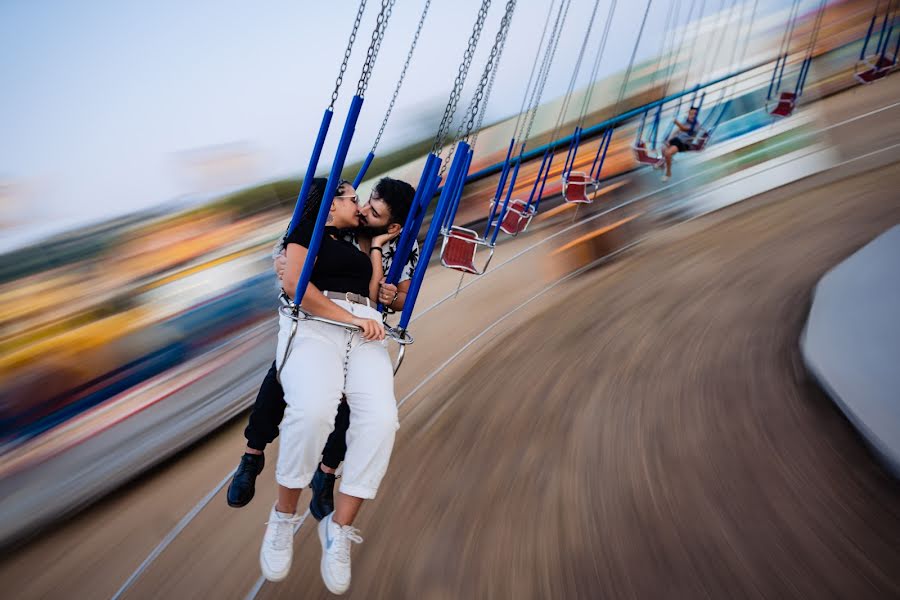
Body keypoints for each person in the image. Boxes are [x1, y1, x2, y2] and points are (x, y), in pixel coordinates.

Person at [258, 177, 415, 593]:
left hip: (364, 326)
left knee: (382, 421)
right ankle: (283, 516)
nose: (360, 206)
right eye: (353, 199)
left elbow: (382, 295)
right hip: (316, 324)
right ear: (331, 205)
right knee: (313, 412)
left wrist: (378, 245)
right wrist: (351, 319)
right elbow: (293, 283)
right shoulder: (305, 231)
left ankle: (339, 528)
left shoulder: (362, 240)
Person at [227, 178, 417, 518]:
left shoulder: (402, 246)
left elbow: (404, 295)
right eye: (364, 200)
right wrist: (280, 263)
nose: (362, 209)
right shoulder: (344, 222)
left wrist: (392, 296)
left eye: (372, 210)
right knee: (283, 376)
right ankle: (253, 454)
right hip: (323, 315)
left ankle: (326, 473)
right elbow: (294, 247)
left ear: (393, 225)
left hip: (364, 322)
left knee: (354, 404)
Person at [659, 106, 702, 181]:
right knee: (663, 148)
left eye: (693, 114)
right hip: (677, 140)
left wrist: (676, 122)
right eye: (690, 114)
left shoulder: (696, 125)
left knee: (668, 153)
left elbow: (683, 129)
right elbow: (678, 130)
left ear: (696, 116)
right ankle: (664, 163)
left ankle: (668, 173)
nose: (691, 116)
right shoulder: (686, 121)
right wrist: (670, 139)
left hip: (683, 144)